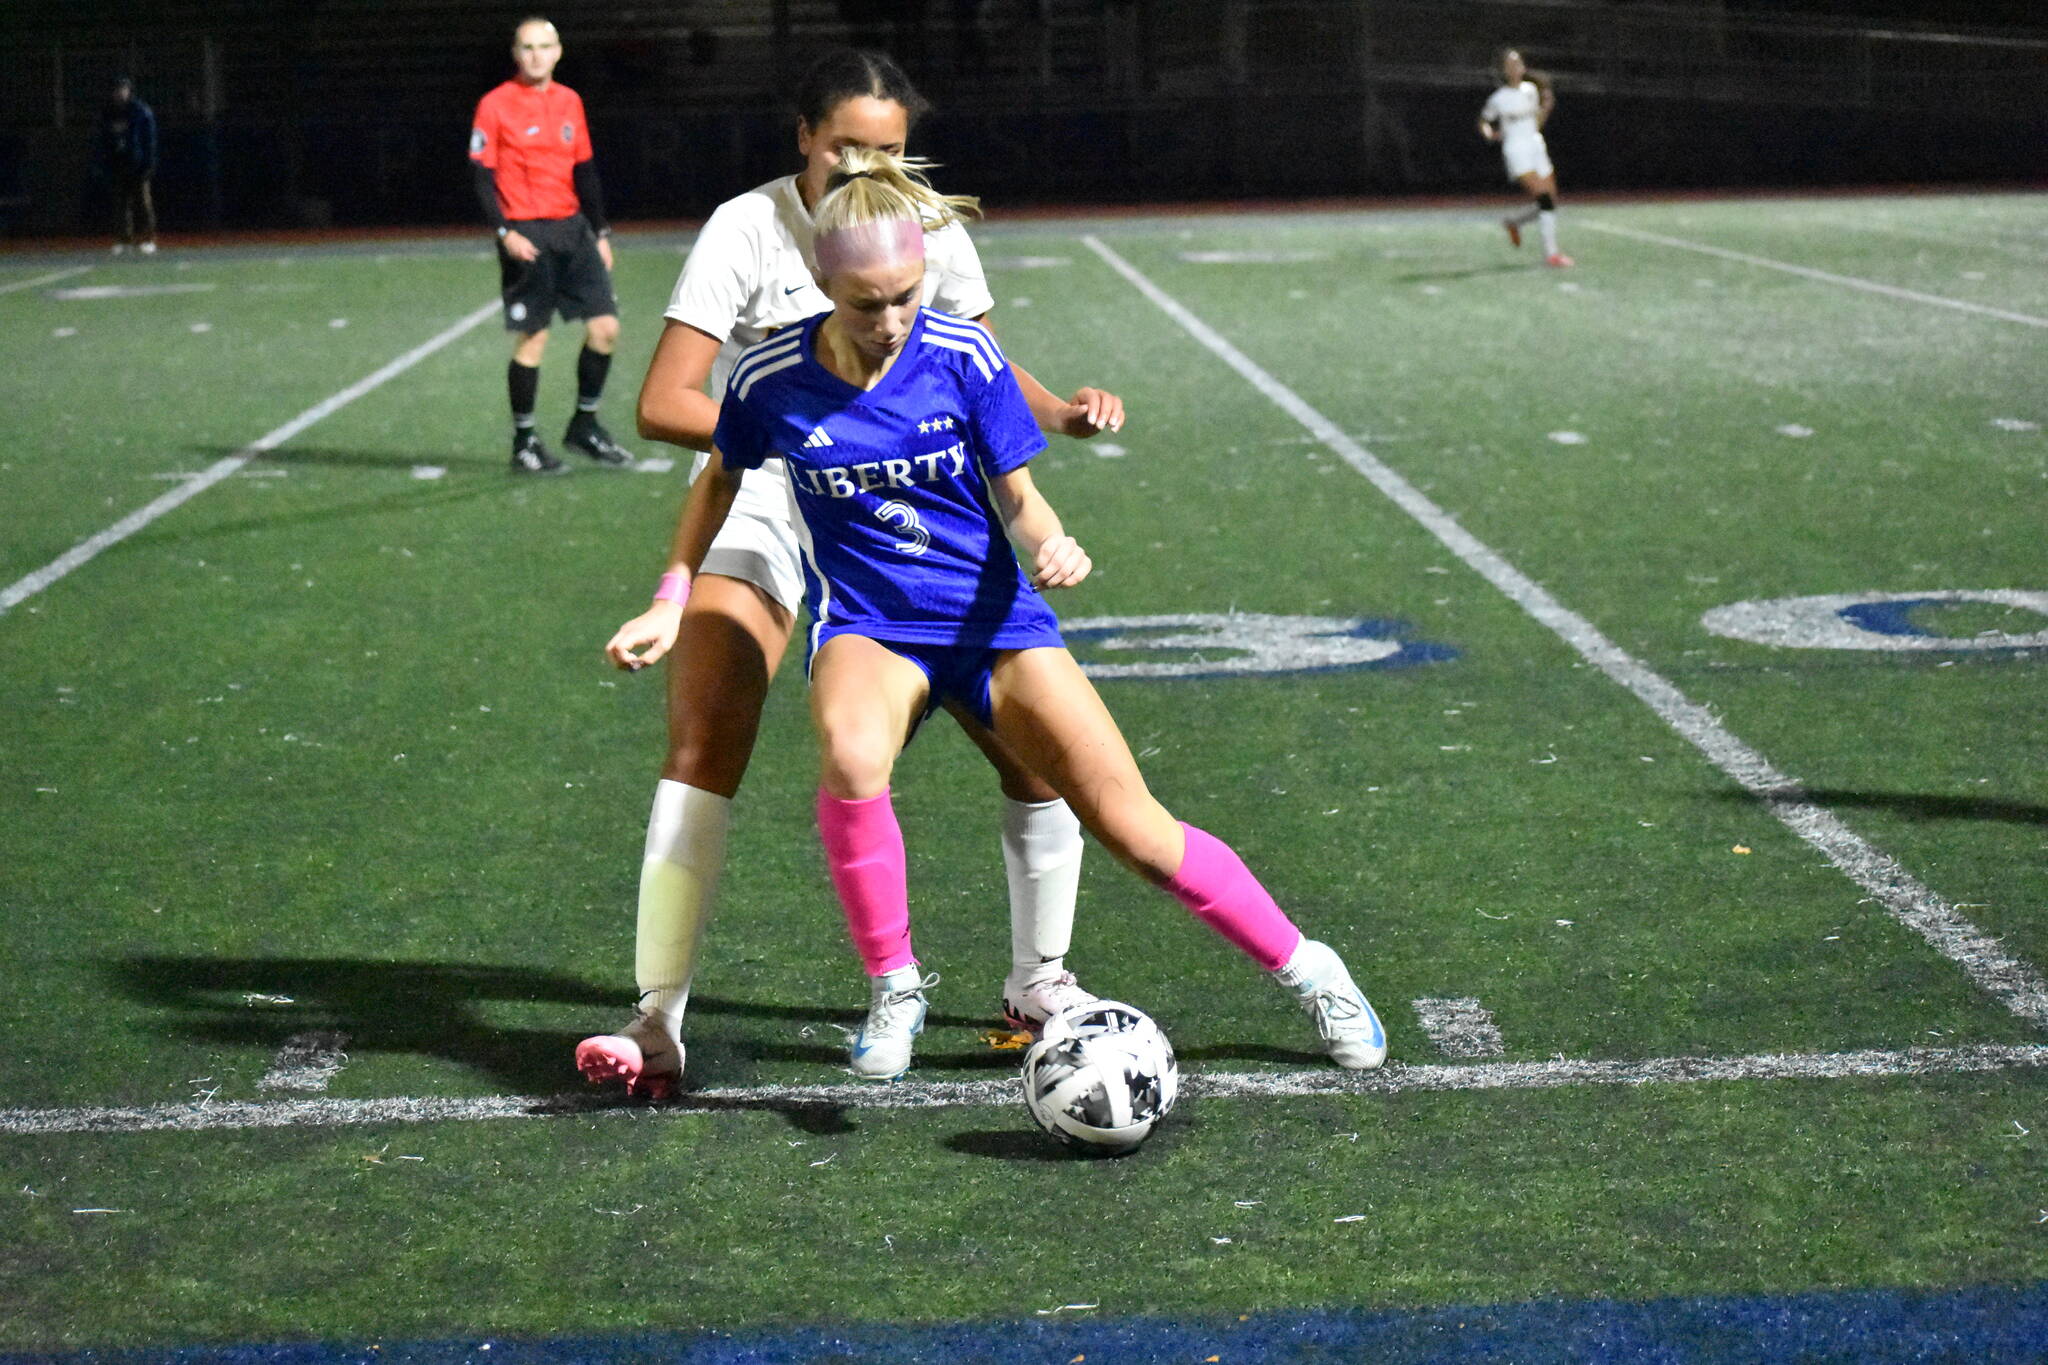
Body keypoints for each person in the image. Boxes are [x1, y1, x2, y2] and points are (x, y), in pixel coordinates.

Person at [605, 148, 1387, 1082]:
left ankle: (1314, 971)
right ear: (819, 278)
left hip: (994, 621)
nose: (890, 320)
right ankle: (896, 986)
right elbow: (720, 485)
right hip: (870, 625)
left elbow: (1017, 495)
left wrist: (1052, 540)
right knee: (853, 755)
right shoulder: (770, 376)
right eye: (865, 302)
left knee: (1136, 829)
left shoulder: (962, 355)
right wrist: (670, 597)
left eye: (905, 294)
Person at [576, 49, 1125, 1098]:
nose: (865, 162)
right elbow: (662, 400)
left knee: (1026, 746)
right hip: (771, 490)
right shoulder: (746, 226)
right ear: (803, 139)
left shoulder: (924, 225)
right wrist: (814, 433)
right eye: (844, 145)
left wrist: (1052, 413)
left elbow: (974, 357)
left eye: (884, 146)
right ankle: (657, 1018)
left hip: (910, 510)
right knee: (704, 734)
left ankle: (1036, 983)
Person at [469, 16, 635, 474]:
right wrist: (505, 233)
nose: (537, 54)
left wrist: (600, 232)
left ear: (559, 51)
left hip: (573, 230)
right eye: (527, 47)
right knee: (534, 337)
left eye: (544, 46)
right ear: (516, 54)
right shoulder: (494, 105)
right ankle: (524, 442)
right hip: (527, 234)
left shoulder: (570, 102)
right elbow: (482, 177)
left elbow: (585, 170)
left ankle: (585, 424)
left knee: (605, 328)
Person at [1479, 48, 1572, 269]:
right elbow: (1484, 121)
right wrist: (1489, 133)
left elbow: (1536, 124)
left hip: (1536, 145)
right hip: (1516, 150)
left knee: (1550, 200)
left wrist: (1546, 109)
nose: (1515, 67)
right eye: (1510, 64)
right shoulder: (1498, 98)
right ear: (1503, 70)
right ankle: (1552, 254)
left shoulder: (1530, 90)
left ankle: (1514, 222)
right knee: (1544, 200)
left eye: (1518, 62)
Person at [98, 78, 157, 256]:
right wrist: (105, 162)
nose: (119, 93)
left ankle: (148, 239)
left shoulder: (140, 111)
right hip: (118, 163)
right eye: (117, 89)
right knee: (120, 204)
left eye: (123, 89)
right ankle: (124, 240)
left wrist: (148, 163)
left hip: (137, 164)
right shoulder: (108, 112)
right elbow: (103, 139)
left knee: (142, 202)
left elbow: (149, 139)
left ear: (129, 91)